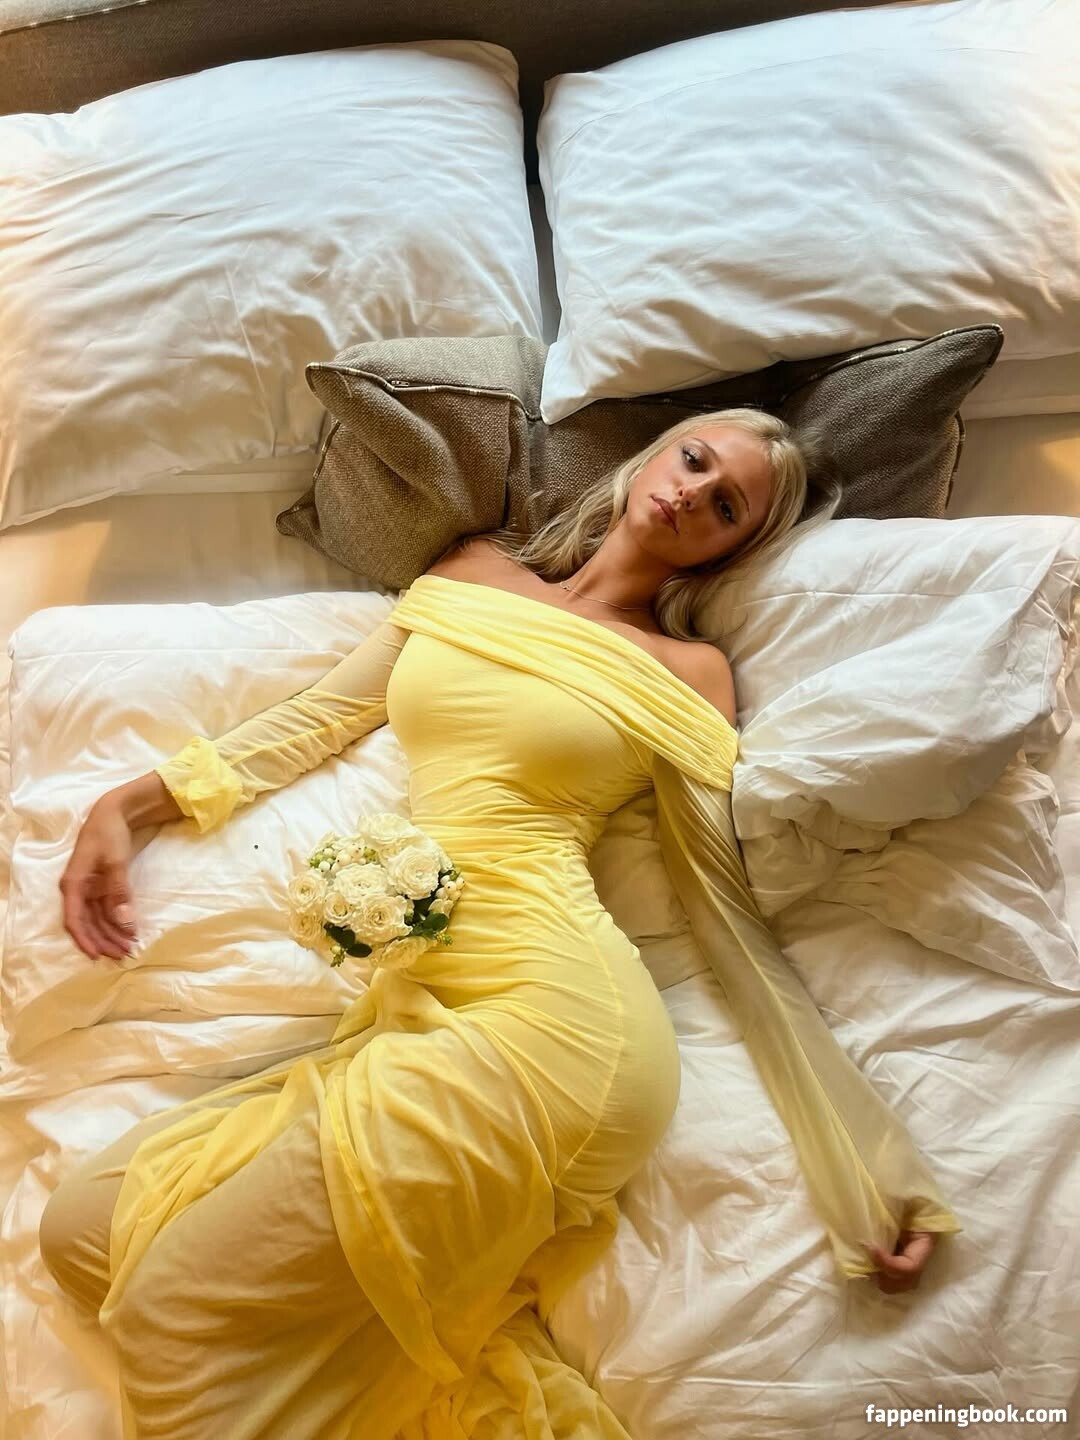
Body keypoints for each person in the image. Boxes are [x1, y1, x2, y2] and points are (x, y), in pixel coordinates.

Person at [40, 408, 960, 1439]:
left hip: (557, 1033)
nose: (692, 494)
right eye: (694, 460)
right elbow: (317, 720)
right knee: (85, 1234)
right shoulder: (473, 572)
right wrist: (128, 805)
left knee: (171, 1309)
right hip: (422, 1011)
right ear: (652, 457)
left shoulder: (688, 672)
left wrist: (872, 1169)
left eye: (726, 506)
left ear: (730, 548)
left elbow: (726, 915)